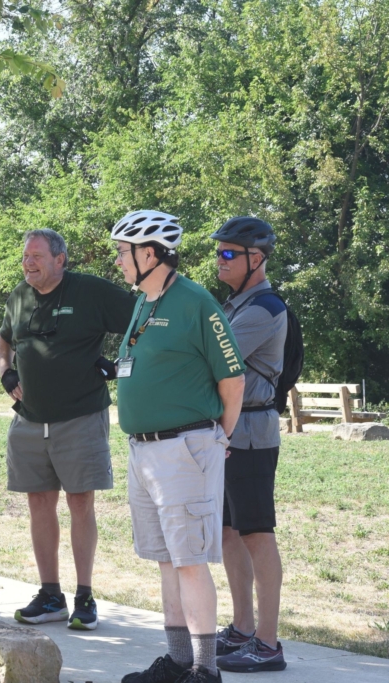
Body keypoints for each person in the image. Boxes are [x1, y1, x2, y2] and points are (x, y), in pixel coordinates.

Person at [112, 210, 245, 683]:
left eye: (124, 252)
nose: (119, 261)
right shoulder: (144, 301)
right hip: (143, 450)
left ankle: (206, 671)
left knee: (189, 561)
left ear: (150, 253)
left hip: (184, 449)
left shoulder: (195, 302)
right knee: (166, 559)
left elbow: (233, 380)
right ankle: (178, 661)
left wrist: (218, 438)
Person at [0, 229, 135, 631]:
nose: (28, 263)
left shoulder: (91, 292)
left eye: (37, 256)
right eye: (25, 256)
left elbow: (143, 324)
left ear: (61, 259)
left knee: (80, 504)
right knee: (39, 504)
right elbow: (2, 343)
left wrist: (120, 363)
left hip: (80, 418)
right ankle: (51, 594)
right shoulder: (19, 296)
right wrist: (6, 373)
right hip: (28, 420)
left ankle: (84, 597)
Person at [210, 217, 288, 673]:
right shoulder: (238, 303)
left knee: (257, 535)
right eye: (218, 252)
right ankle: (242, 628)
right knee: (228, 533)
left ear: (254, 259)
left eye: (227, 253)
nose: (219, 260)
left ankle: (268, 643)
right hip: (229, 434)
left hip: (253, 436)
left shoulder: (264, 308)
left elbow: (216, 360)